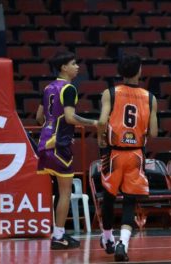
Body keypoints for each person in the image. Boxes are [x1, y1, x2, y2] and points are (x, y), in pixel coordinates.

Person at [96, 54, 158, 261]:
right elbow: (155, 133)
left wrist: (100, 138)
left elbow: (103, 120)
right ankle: (123, 242)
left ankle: (107, 238)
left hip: (113, 153)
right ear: (139, 71)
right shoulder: (150, 97)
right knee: (130, 201)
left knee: (109, 197)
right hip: (136, 154)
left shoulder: (110, 93)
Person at [36, 51, 98, 249]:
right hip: (59, 145)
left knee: (58, 190)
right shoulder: (69, 88)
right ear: (64, 67)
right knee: (65, 193)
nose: (77, 67)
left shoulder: (47, 88)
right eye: (74, 63)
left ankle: (59, 233)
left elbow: (39, 117)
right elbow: (71, 118)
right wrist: (95, 123)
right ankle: (58, 237)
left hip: (45, 142)